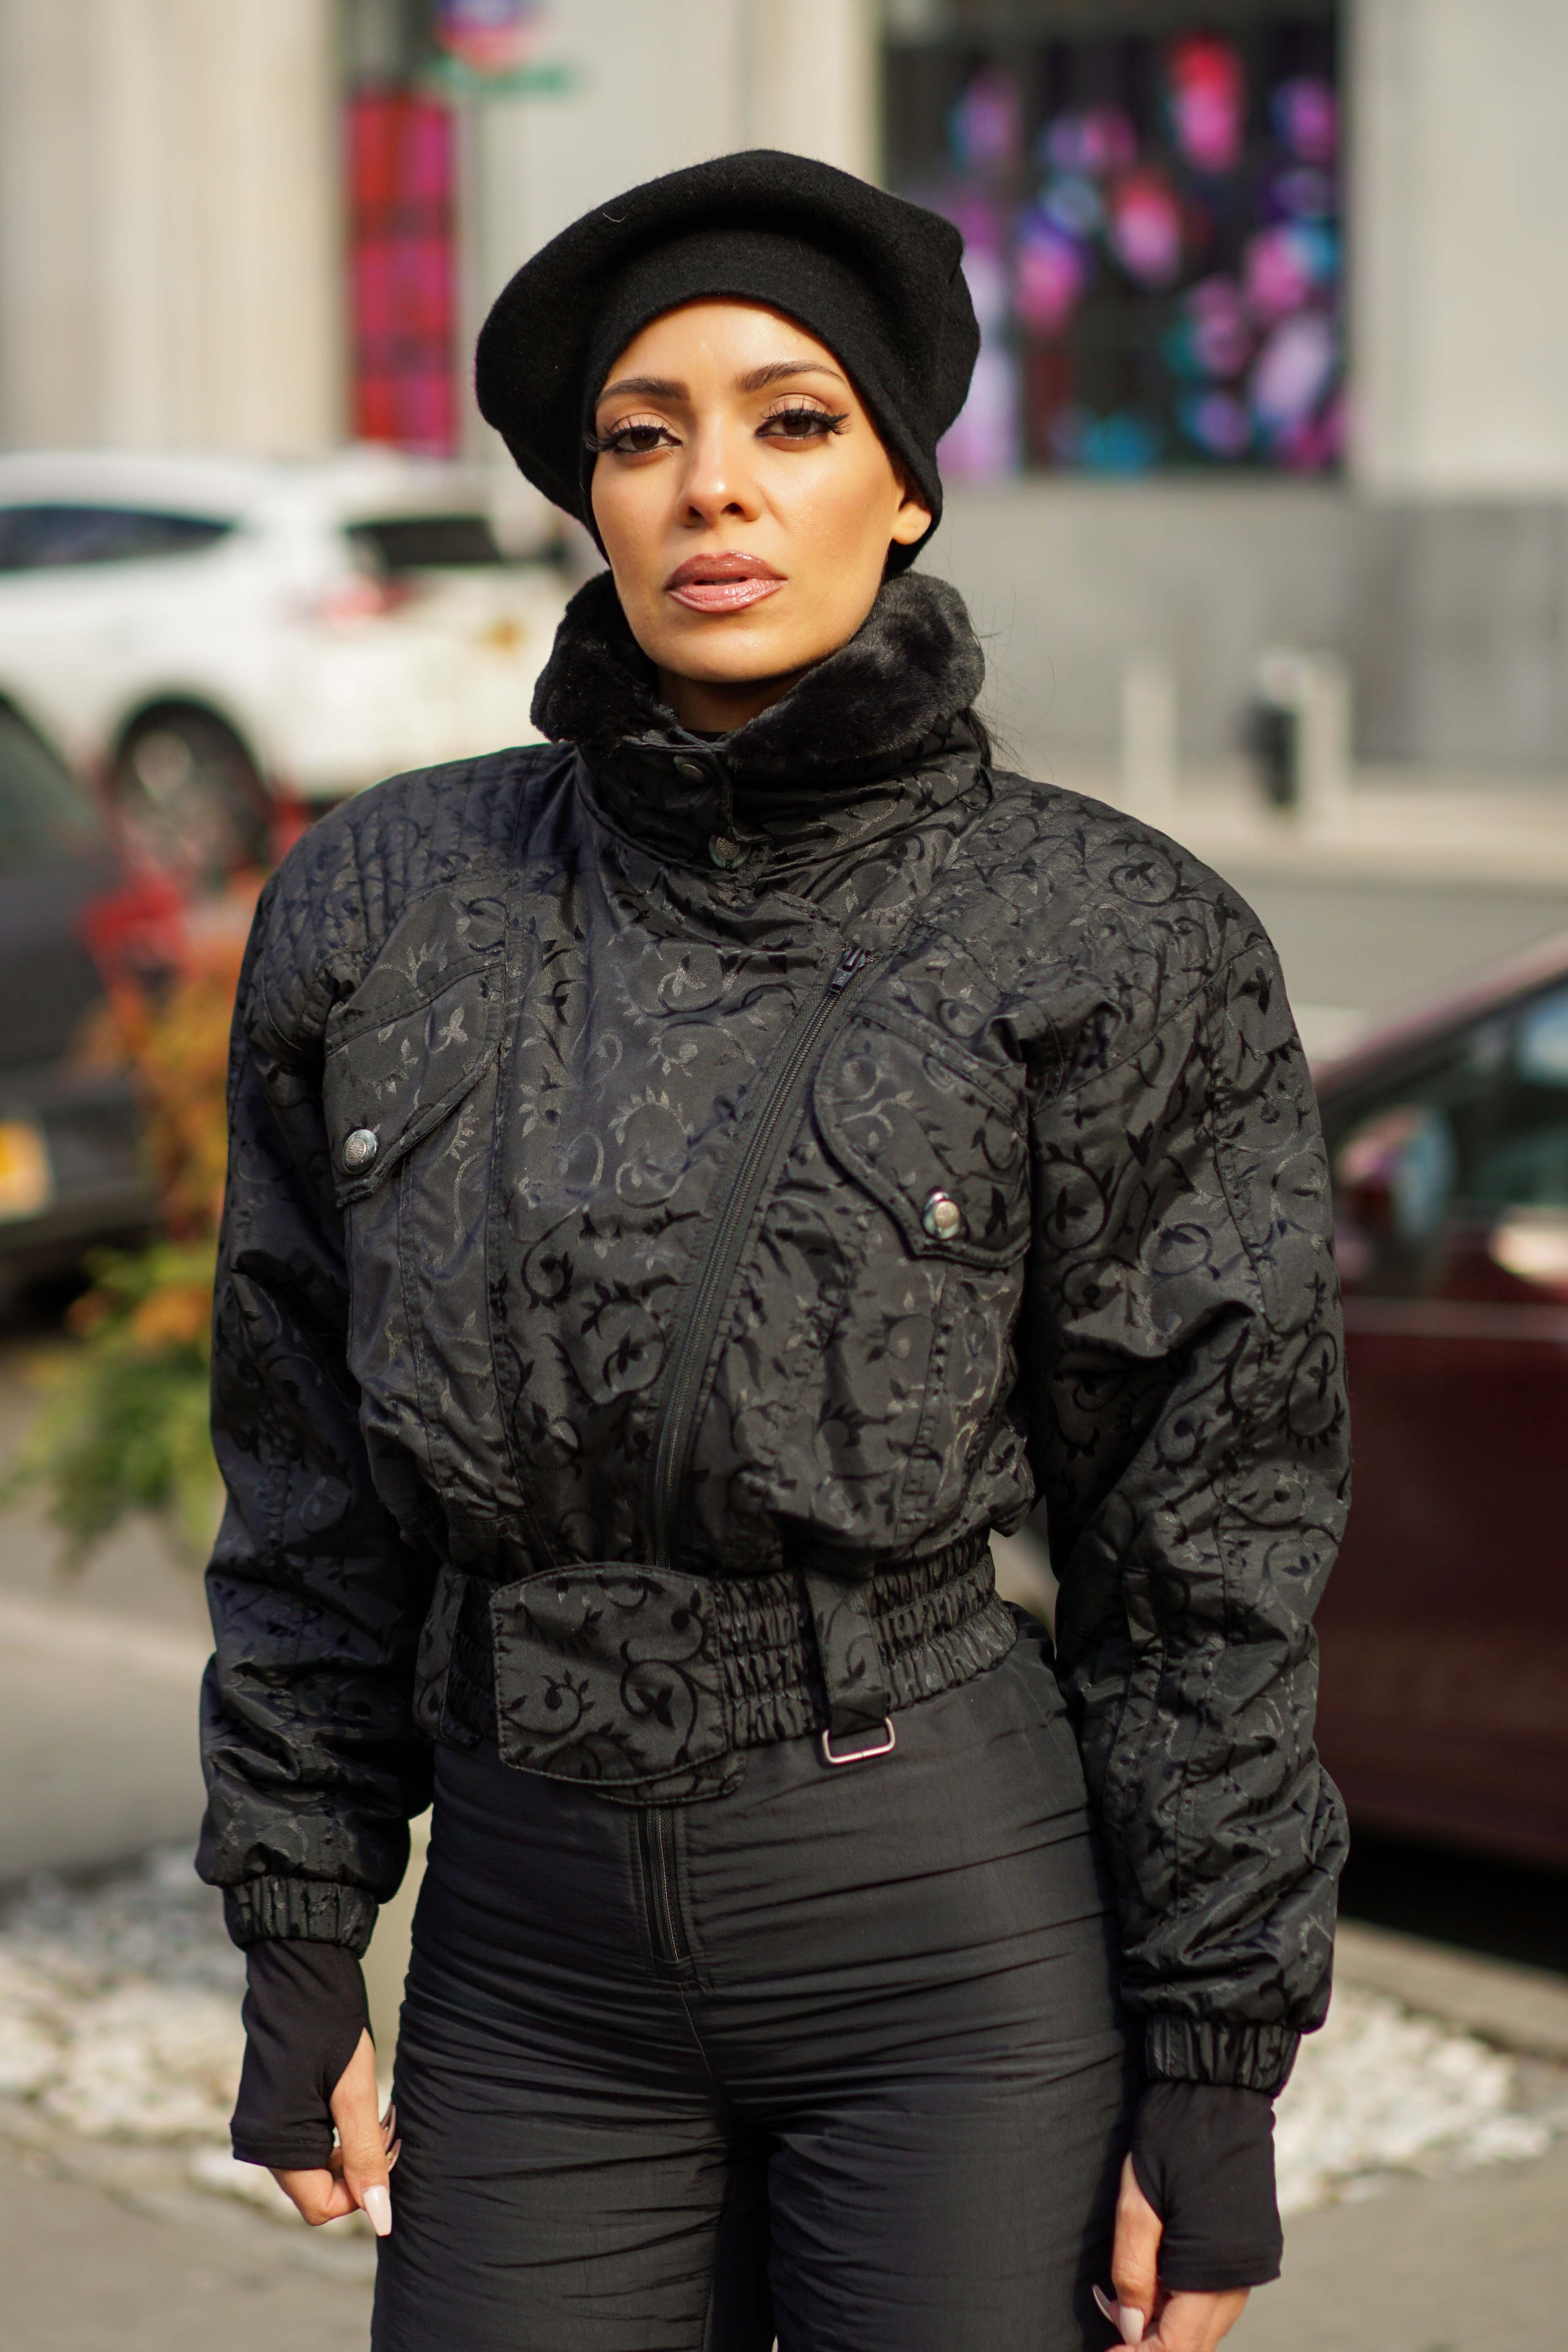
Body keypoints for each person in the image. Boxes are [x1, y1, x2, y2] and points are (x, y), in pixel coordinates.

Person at [197, 151, 1349, 2352]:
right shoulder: (384, 905)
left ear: (902, 488)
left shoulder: (1107, 930)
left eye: (790, 421)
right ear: (592, 497)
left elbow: (1210, 1529)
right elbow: (304, 1459)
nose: (712, 487)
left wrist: (1210, 2066)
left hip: (939, 1935)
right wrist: (297, 1917)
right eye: (647, 435)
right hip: (528, 1967)